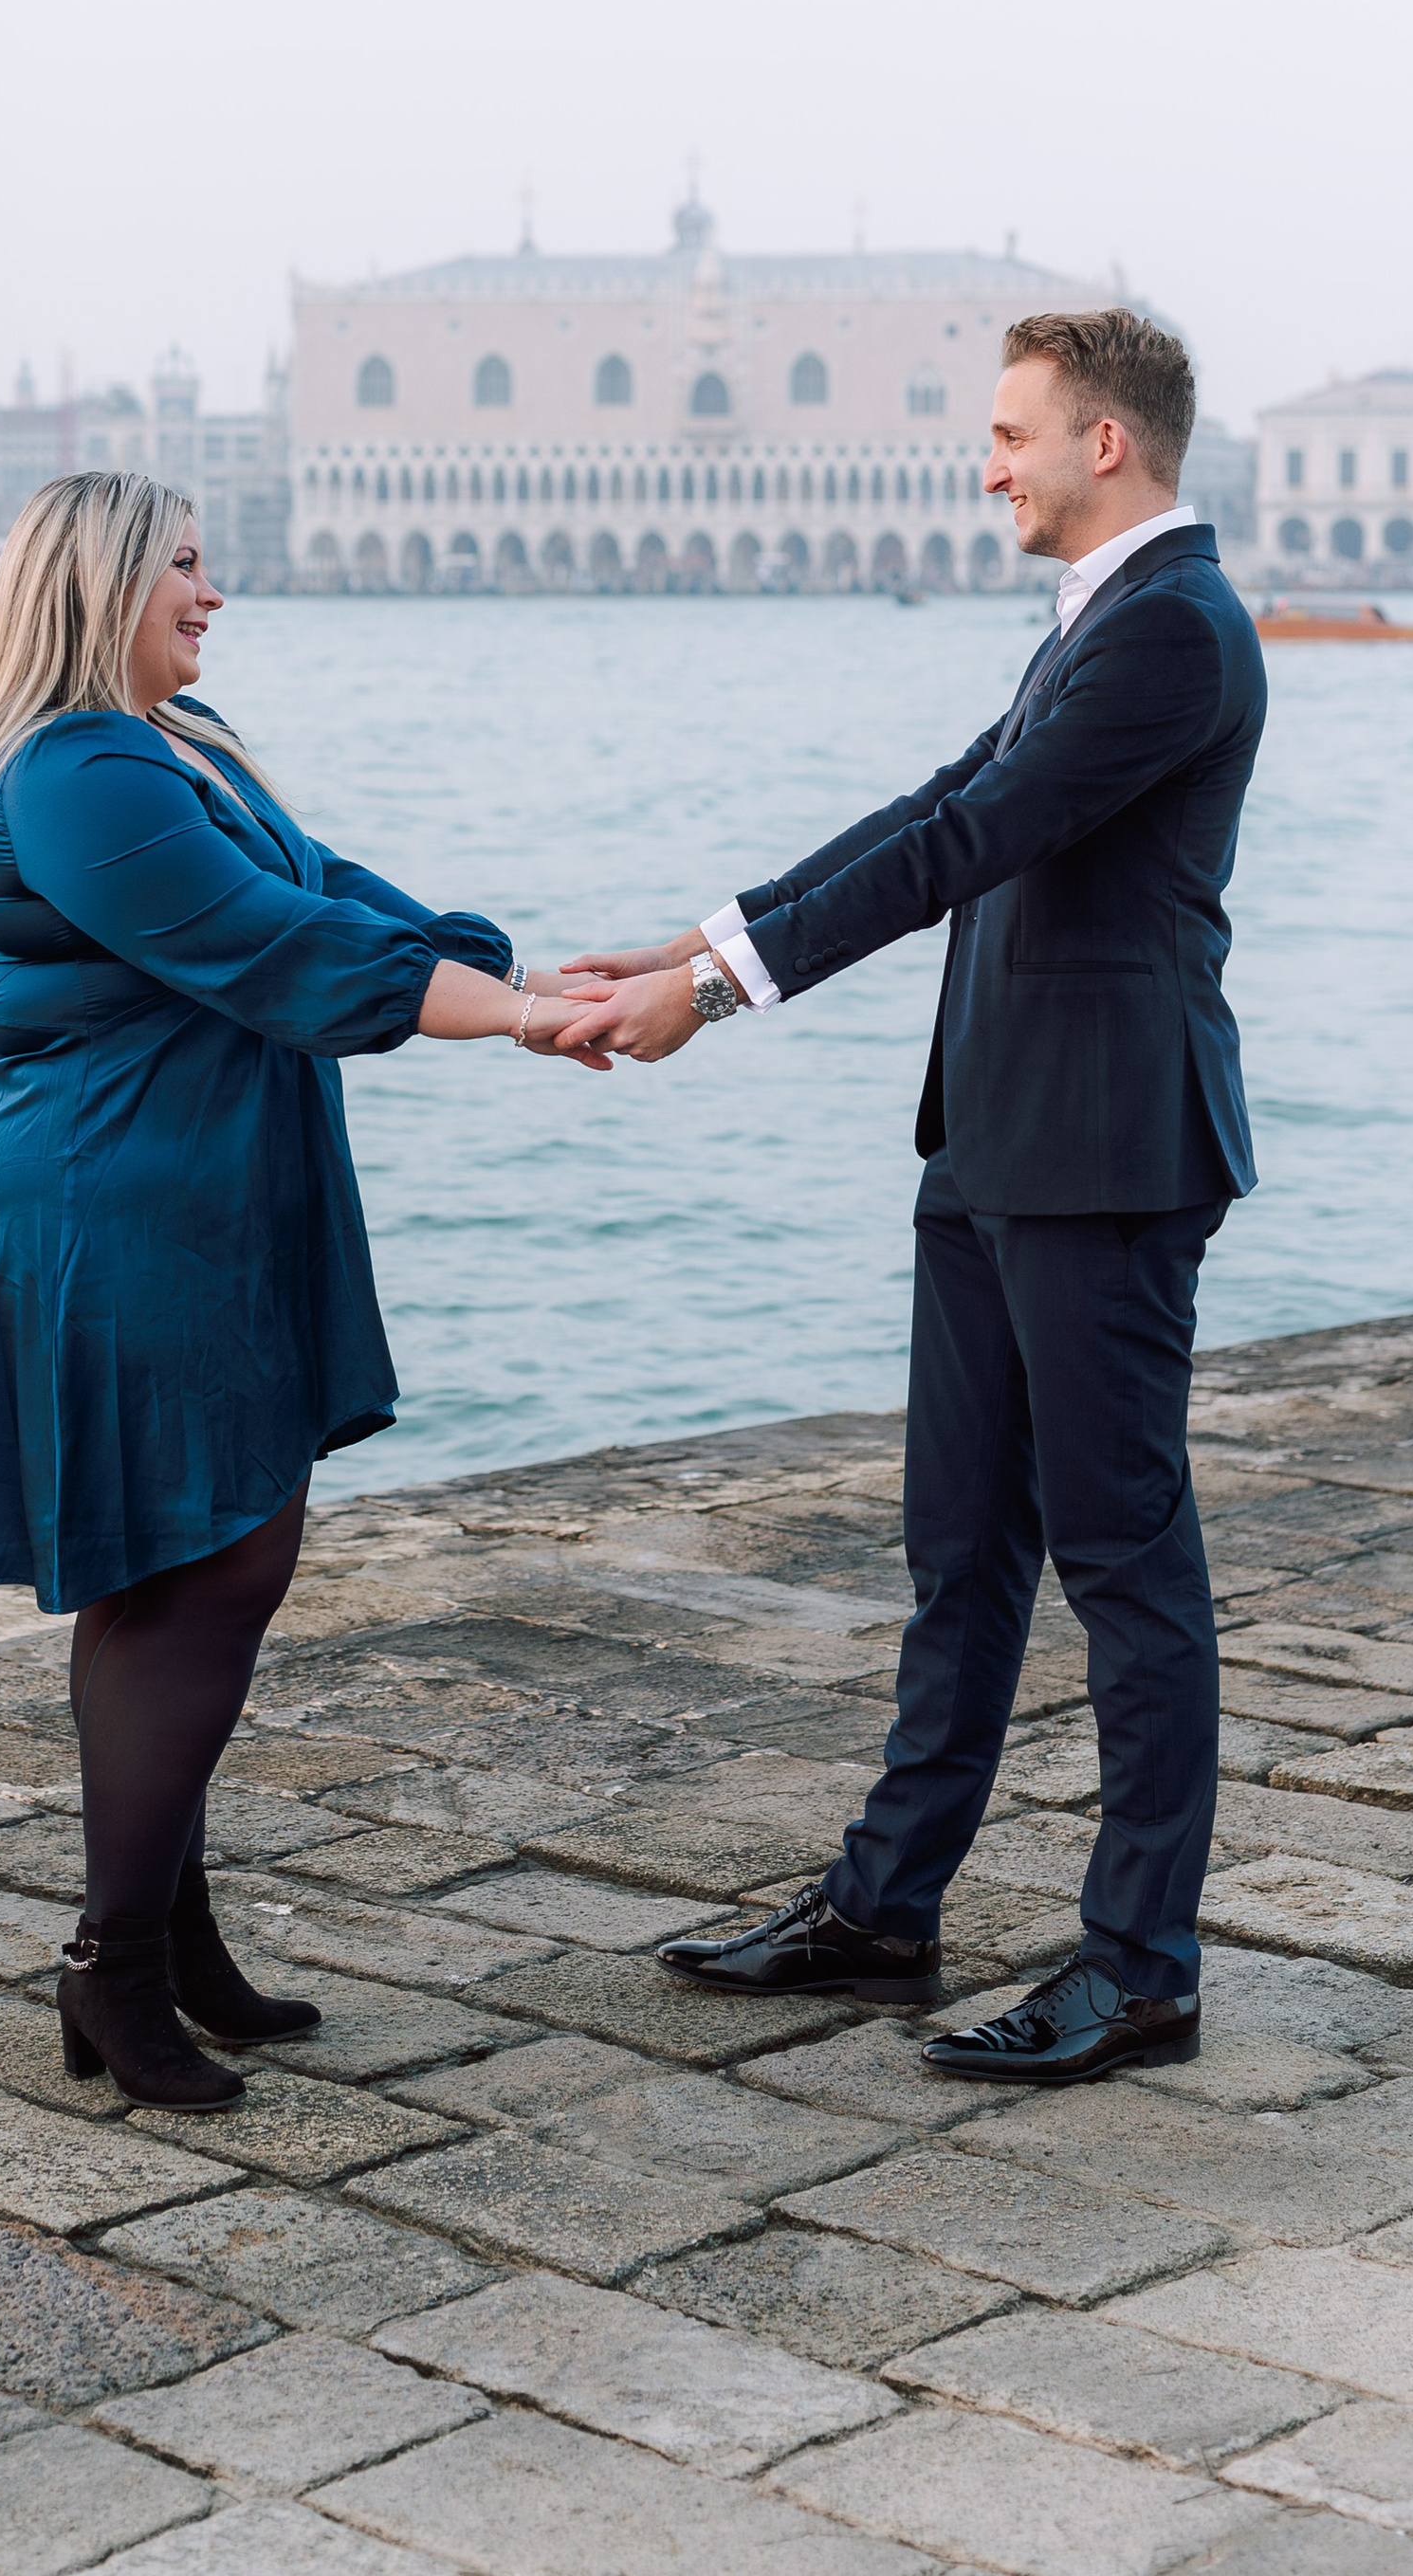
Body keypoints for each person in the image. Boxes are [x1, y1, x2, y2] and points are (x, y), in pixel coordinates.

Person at [560, 308, 1267, 2086]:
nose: (987, 463)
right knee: (960, 1545)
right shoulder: (1101, 624)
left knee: (1122, 1559)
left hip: (1104, 1158)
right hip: (996, 1145)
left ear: (1106, 442)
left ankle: (1142, 1964)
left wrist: (719, 999)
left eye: (1013, 431)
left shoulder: (1176, 630)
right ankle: (887, 1908)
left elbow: (974, 842)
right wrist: (708, 938)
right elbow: (945, 797)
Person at [0, 470, 604, 2110]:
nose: (212, 588)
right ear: (99, 586)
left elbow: (332, 893)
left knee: (184, 1560)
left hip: (200, 1191)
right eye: (181, 564)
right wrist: (518, 1027)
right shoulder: (78, 771)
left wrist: (527, 972)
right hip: (117, 1201)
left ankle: (169, 1925)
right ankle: (117, 1964)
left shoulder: (185, 741)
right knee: (204, 1560)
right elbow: (273, 949)